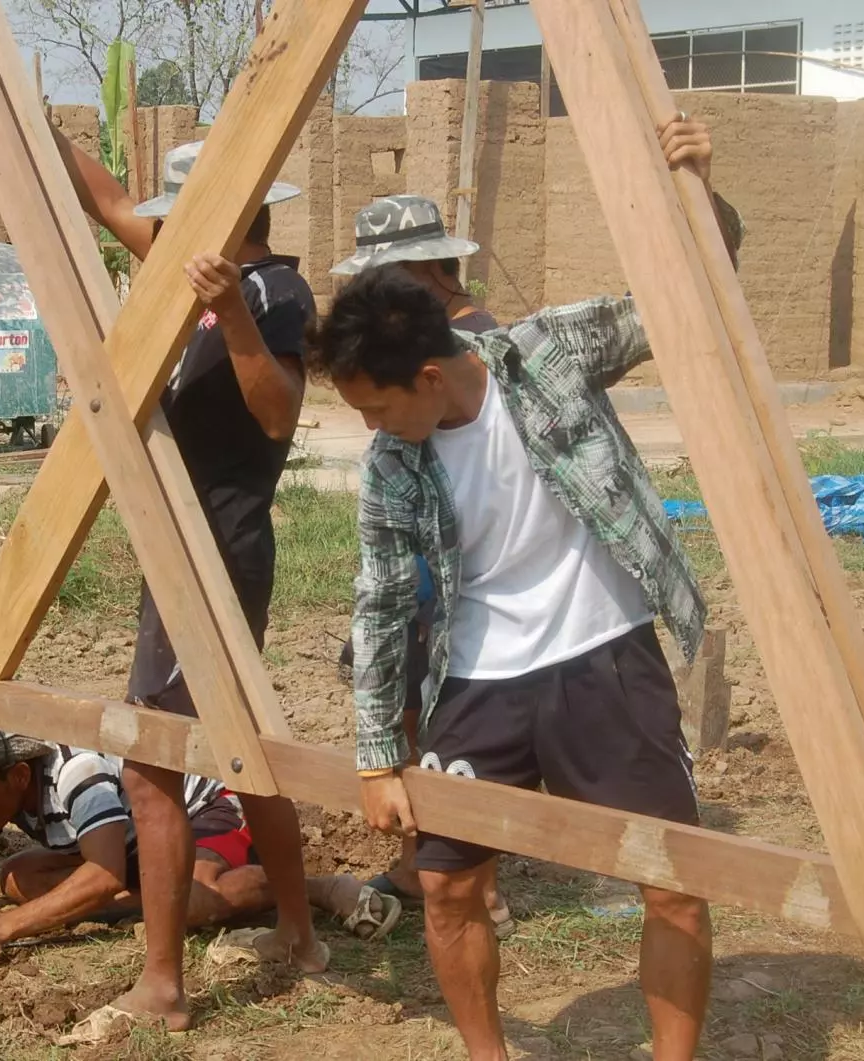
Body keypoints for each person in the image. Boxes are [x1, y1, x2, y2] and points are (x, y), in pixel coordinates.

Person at [302, 118, 741, 1061]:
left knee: (671, 878)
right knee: (449, 883)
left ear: (427, 375)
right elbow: (380, 602)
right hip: (478, 682)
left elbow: (679, 298)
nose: (372, 427)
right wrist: (379, 754)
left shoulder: (548, 356)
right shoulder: (392, 465)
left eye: (378, 406)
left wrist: (699, 195)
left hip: (604, 656)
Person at [56, 137, 325, 1037]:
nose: (160, 229)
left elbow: (280, 411)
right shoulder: (201, 272)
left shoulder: (274, 294)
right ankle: (298, 930)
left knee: (152, 759)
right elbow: (109, 202)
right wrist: (37, 125)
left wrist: (233, 316)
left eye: (182, 215)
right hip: (187, 544)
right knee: (245, 742)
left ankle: (164, 985)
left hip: (215, 550)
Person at [331, 193, 514, 936]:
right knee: (409, 704)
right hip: (420, 566)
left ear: (433, 270)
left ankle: (467, 871)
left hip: (458, 580)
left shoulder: (471, 345)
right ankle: (428, 852)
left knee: (444, 712)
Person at [0, 730, 400, 961]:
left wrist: (1, 927)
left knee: (191, 900)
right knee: (19, 877)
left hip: (202, 810)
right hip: (131, 842)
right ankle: (149, 901)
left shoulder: (78, 777)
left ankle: (314, 888)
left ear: (18, 776)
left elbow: (102, 874)